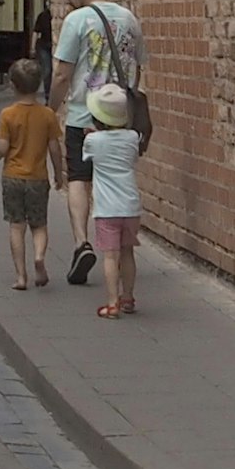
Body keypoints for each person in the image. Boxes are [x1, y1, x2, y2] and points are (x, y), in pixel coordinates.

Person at [50, 0, 145, 287]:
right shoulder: (129, 18)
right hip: (121, 117)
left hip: (83, 114)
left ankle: (82, 242)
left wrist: (52, 108)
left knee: (78, 176)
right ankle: (120, 246)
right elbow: (137, 68)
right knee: (117, 176)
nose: (68, 1)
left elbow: (62, 73)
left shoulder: (77, 20)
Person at [0, 58, 61, 290]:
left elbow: (2, 147)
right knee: (39, 225)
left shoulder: (7, 115)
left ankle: (21, 277)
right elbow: (53, 148)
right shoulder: (48, 114)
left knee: (16, 226)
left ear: (12, 85)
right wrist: (59, 174)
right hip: (38, 178)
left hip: (12, 177)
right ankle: (39, 257)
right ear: (39, 84)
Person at [82, 82, 146, 316]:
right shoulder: (132, 137)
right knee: (128, 252)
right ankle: (128, 297)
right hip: (130, 206)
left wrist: (93, 135)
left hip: (106, 209)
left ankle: (111, 302)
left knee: (110, 256)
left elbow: (88, 156)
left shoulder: (93, 141)